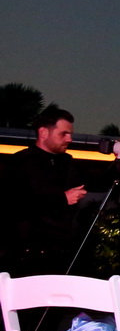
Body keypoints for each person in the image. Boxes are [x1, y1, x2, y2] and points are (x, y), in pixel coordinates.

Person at [1, 106, 87, 276]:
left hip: (60, 256)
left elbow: (97, 183)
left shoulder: (67, 163)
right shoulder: (21, 163)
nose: (69, 139)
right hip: (25, 257)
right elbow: (14, 205)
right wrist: (62, 199)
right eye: (64, 134)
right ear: (43, 133)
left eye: (70, 134)